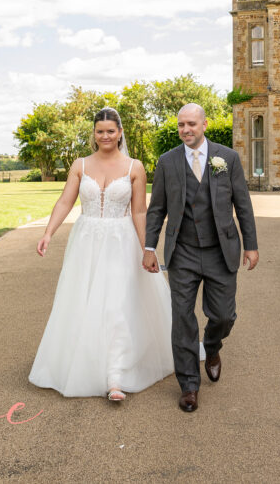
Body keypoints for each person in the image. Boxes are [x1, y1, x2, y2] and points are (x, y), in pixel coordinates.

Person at [29, 108, 173, 402]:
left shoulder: (135, 166)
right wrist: (48, 233)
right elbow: (65, 202)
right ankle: (82, 361)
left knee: (117, 304)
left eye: (110, 131)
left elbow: (139, 211)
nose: (105, 136)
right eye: (99, 131)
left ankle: (115, 376)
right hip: (86, 242)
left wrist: (148, 249)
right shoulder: (80, 164)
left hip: (122, 242)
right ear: (93, 134)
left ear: (120, 132)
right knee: (82, 300)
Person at [144, 103, 259, 412]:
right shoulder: (167, 162)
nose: (186, 130)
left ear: (205, 124)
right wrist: (150, 246)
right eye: (182, 125)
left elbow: (243, 205)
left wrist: (251, 244)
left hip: (222, 251)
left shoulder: (228, 158)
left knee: (223, 315)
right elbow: (157, 209)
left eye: (192, 124)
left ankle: (212, 345)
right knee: (182, 318)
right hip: (182, 252)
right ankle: (189, 385)